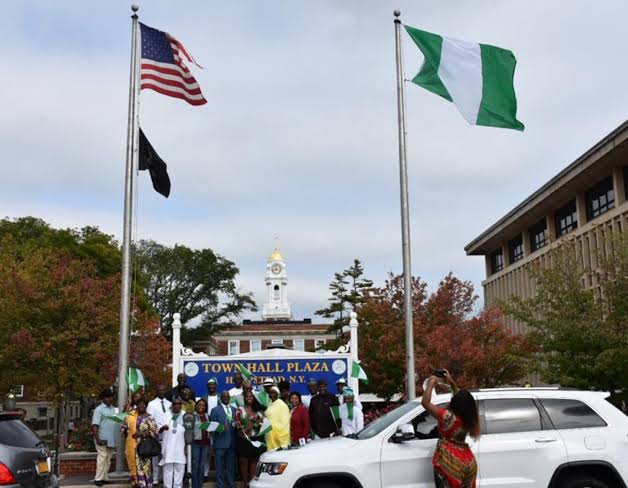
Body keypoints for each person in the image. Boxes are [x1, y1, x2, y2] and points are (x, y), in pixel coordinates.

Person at [422, 371, 480, 488]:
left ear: (454, 403)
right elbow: (462, 399)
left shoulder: (447, 416)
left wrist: (431, 384)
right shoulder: (470, 418)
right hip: (468, 461)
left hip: (449, 461)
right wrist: (451, 382)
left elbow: (425, 403)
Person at [234, 391, 265, 487]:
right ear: (244, 398)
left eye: (251, 396)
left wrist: (255, 424)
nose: (249, 398)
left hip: (255, 439)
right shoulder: (240, 409)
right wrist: (240, 426)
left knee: (253, 460)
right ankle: (245, 482)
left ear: (253, 397)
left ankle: (251, 482)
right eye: (247, 396)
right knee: (243, 460)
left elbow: (263, 422)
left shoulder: (258, 410)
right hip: (243, 439)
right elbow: (235, 423)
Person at [210, 391, 237, 488]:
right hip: (220, 443)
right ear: (220, 398)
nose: (226, 398)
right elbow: (212, 427)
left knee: (231, 467)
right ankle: (220, 485)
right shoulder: (215, 410)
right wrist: (220, 428)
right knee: (220, 467)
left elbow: (237, 425)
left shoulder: (234, 410)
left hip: (232, 443)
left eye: (227, 396)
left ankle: (231, 485)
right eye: (224, 396)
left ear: (229, 398)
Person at [129, 398, 158, 488]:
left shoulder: (150, 417)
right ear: (136, 406)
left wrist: (142, 434)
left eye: (143, 404)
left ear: (146, 406)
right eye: (139, 404)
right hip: (134, 446)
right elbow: (127, 427)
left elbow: (155, 432)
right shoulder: (134, 416)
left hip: (145, 446)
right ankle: (139, 484)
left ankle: (147, 485)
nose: (141, 406)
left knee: (146, 468)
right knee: (136, 467)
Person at [92, 389, 117, 487]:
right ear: (103, 398)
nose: (109, 399)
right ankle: (98, 478)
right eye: (107, 397)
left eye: (110, 397)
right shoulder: (99, 409)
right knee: (102, 459)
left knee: (108, 459)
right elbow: (95, 425)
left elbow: (118, 418)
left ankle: (104, 477)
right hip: (101, 438)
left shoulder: (112, 408)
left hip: (111, 439)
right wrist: (97, 439)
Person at [147, 385, 171, 486]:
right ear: (157, 391)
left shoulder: (169, 403)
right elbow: (150, 419)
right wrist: (157, 430)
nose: (162, 392)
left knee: (165, 455)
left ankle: (162, 477)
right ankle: (156, 478)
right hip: (156, 434)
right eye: (160, 390)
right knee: (155, 457)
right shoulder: (151, 404)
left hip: (167, 434)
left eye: (163, 390)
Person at [159, 397, 186, 488]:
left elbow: (189, 430)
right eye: (175, 404)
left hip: (180, 447)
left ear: (181, 405)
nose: (177, 405)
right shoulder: (166, 415)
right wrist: (163, 428)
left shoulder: (185, 415)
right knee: (167, 470)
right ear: (172, 405)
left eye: (179, 404)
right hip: (168, 447)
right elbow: (158, 430)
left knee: (180, 469)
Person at [201, 378, 219, 477]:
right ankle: (205, 473)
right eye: (209, 385)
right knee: (206, 452)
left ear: (216, 386)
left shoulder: (220, 397)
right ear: (207, 387)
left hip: (218, 429)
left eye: (213, 385)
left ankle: (218, 473)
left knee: (218, 452)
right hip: (206, 428)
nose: (211, 386)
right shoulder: (204, 398)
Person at [191, 399, 210, 488]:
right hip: (196, 443)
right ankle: (195, 485)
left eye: (203, 405)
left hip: (206, 443)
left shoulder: (207, 415)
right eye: (199, 405)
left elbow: (210, 429)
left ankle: (200, 485)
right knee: (195, 465)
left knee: (202, 465)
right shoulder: (192, 416)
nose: (201, 407)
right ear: (196, 406)